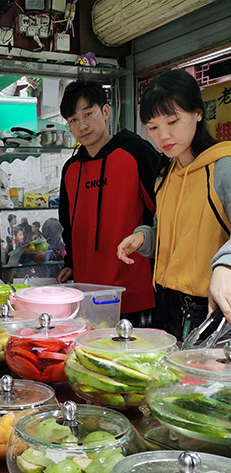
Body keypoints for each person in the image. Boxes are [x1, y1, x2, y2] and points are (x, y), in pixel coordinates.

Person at [117, 69, 231, 339]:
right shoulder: (165, 175)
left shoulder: (223, 168)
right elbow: (175, 236)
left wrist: (226, 264)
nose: (163, 136)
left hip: (210, 309)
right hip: (166, 304)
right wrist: (143, 237)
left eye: (173, 121)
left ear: (198, 113)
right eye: (153, 128)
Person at [57, 80, 160, 324]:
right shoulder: (71, 169)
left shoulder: (135, 151)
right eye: (73, 120)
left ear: (105, 111)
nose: (82, 125)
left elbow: (163, 211)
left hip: (134, 289)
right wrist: (70, 262)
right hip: (89, 294)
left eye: (88, 114)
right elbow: (68, 224)